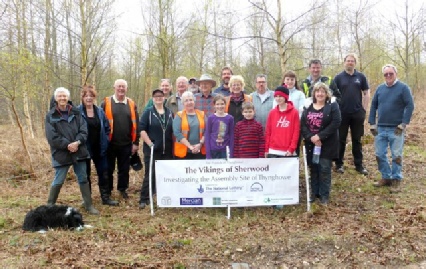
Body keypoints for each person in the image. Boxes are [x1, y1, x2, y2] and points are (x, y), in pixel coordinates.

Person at [45, 87, 99, 215]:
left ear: (68, 98)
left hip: (79, 151)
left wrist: (77, 142)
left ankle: (88, 205)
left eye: (65, 96)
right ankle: (49, 207)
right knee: (59, 179)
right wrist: (67, 145)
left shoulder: (76, 112)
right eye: (60, 96)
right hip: (61, 154)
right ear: (56, 98)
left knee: (83, 178)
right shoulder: (50, 115)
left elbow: (84, 130)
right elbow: (52, 137)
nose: (63, 98)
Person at [368, 64, 414, 193]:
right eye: (385, 74)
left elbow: (410, 105)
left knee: (396, 155)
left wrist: (404, 123)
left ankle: (396, 178)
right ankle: (386, 177)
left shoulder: (403, 88)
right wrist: (372, 122)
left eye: (390, 73)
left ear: (396, 74)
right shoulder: (380, 89)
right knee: (379, 154)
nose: (388, 76)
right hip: (381, 128)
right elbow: (373, 106)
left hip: (396, 128)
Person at [301, 82, 341, 204]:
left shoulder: (332, 106)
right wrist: (311, 137)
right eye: (317, 91)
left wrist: (320, 136)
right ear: (314, 94)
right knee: (314, 168)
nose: (320, 94)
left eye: (322, 91)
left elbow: (336, 122)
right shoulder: (308, 107)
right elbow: (303, 125)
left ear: (326, 94)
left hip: (327, 143)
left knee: (324, 168)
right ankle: (314, 192)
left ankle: (324, 195)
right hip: (311, 143)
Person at [79, 85, 118, 206]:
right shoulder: (77, 112)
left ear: (94, 97)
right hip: (84, 148)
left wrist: (106, 140)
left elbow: (107, 128)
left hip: (100, 147)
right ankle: (87, 199)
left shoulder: (100, 112)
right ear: (83, 98)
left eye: (91, 96)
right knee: (85, 175)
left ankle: (105, 198)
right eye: (86, 96)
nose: (89, 98)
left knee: (104, 172)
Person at [102, 79, 140, 199]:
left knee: (124, 170)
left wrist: (136, 143)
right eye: (119, 86)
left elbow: (136, 124)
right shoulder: (106, 103)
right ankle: (108, 191)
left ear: (126, 89)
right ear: (114, 87)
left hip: (127, 143)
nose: (121, 89)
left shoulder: (131, 104)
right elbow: (101, 123)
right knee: (108, 169)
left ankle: (122, 189)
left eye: (123, 87)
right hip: (110, 143)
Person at [333, 53, 370, 175]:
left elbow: (366, 93)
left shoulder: (361, 77)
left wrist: (363, 110)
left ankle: (359, 165)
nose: (350, 62)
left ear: (355, 63)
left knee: (357, 140)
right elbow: (331, 95)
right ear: (344, 62)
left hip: (357, 113)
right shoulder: (338, 77)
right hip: (341, 114)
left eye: (352, 61)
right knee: (340, 140)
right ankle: (339, 164)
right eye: (348, 60)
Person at [138, 89, 174, 209]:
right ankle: (144, 198)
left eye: (161, 96)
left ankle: (163, 196)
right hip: (153, 149)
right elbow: (141, 129)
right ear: (153, 98)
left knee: (165, 175)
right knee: (150, 174)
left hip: (167, 149)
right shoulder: (148, 112)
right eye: (156, 96)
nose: (158, 98)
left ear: (164, 98)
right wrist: (149, 143)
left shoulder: (169, 112)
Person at [265, 86, 300, 157]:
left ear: (286, 97)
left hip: (287, 151)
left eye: (280, 96)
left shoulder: (294, 112)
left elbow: (296, 132)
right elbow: (268, 132)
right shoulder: (272, 112)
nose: (278, 98)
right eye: (276, 96)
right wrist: (266, 149)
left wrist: (291, 149)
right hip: (273, 150)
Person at [173, 91, 207, 159]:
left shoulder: (202, 114)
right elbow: (177, 133)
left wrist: (200, 144)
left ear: (194, 101)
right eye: (186, 101)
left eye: (191, 100)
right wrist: (190, 147)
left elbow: (207, 131)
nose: (189, 102)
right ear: (183, 103)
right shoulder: (179, 115)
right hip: (183, 152)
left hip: (200, 150)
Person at [205, 95, 234, 159]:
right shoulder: (211, 118)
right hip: (213, 150)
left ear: (225, 105)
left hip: (225, 150)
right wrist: (208, 154)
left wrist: (231, 153)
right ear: (214, 105)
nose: (220, 106)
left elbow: (231, 135)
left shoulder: (230, 118)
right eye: (217, 104)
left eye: (222, 104)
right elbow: (207, 135)